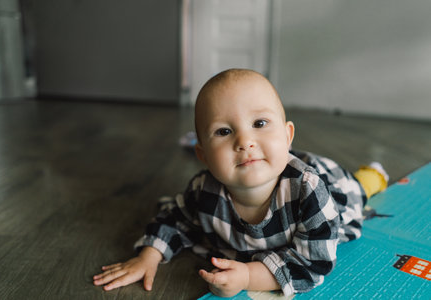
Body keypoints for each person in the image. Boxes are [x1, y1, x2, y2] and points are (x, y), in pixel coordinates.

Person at [93, 69, 388, 297]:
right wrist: (149, 256)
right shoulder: (204, 191)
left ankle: (373, 176)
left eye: (260, 124)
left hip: (332, 184)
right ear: (203, 154)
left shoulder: (309, 190)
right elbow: (176, 219)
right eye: (223, 131)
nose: (245, 142)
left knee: (359, 191)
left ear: (287, 136)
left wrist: (248, 276)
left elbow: (314, 262)